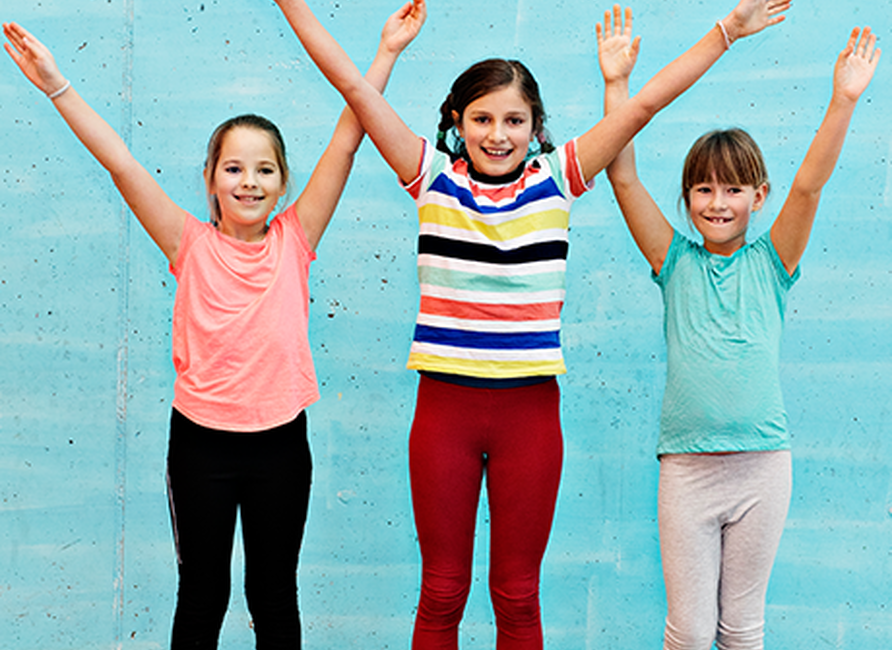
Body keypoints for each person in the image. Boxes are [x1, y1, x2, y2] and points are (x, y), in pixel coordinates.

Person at [268, 0, 790, 647]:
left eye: (514, 120)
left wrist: (725, 33)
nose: (497, 134)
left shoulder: (556, 180)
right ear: (458, 121)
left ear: (535, 126)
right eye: (483, 118)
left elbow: (643, 107)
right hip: (444, 410)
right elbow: (350, 83)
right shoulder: (430, 178)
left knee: (517, 595)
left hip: (530, 414)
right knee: (441, 592)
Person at [3, 3, 425, 648]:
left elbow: (348, 135)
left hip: (281, 444)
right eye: (234, 167)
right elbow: (121, 164)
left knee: (273, 595)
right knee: (204, 593)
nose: (249, 181)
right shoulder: (187, 243)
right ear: (210, 180)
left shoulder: (297, 237)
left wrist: (387, 53)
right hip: (201, 443)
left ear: (283, 183)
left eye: (264, 169)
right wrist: (58, 85)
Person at [599, 10, 880, 649]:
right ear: (688, 198)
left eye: (732, 189)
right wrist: (617, 85)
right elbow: (621, 174)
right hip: (687, 472)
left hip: (762, 469)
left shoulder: (773, 263)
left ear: (758, 194)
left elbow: (809, 187)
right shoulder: (672, 262)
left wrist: (843, 99)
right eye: (702, 189)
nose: (717, 203)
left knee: (742, 630)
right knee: (689, 632)